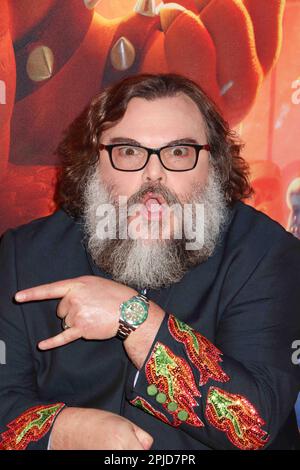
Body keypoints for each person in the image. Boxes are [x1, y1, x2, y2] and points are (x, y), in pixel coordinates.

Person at [0, 73, 299, 451]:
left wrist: (133, 318)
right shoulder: (23, 254)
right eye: (128, 151)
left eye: (178, 152)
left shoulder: (265, 253)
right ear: (94, 162)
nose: (152, 174)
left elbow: (252, 425)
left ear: (214, 164)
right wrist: (65, 430)